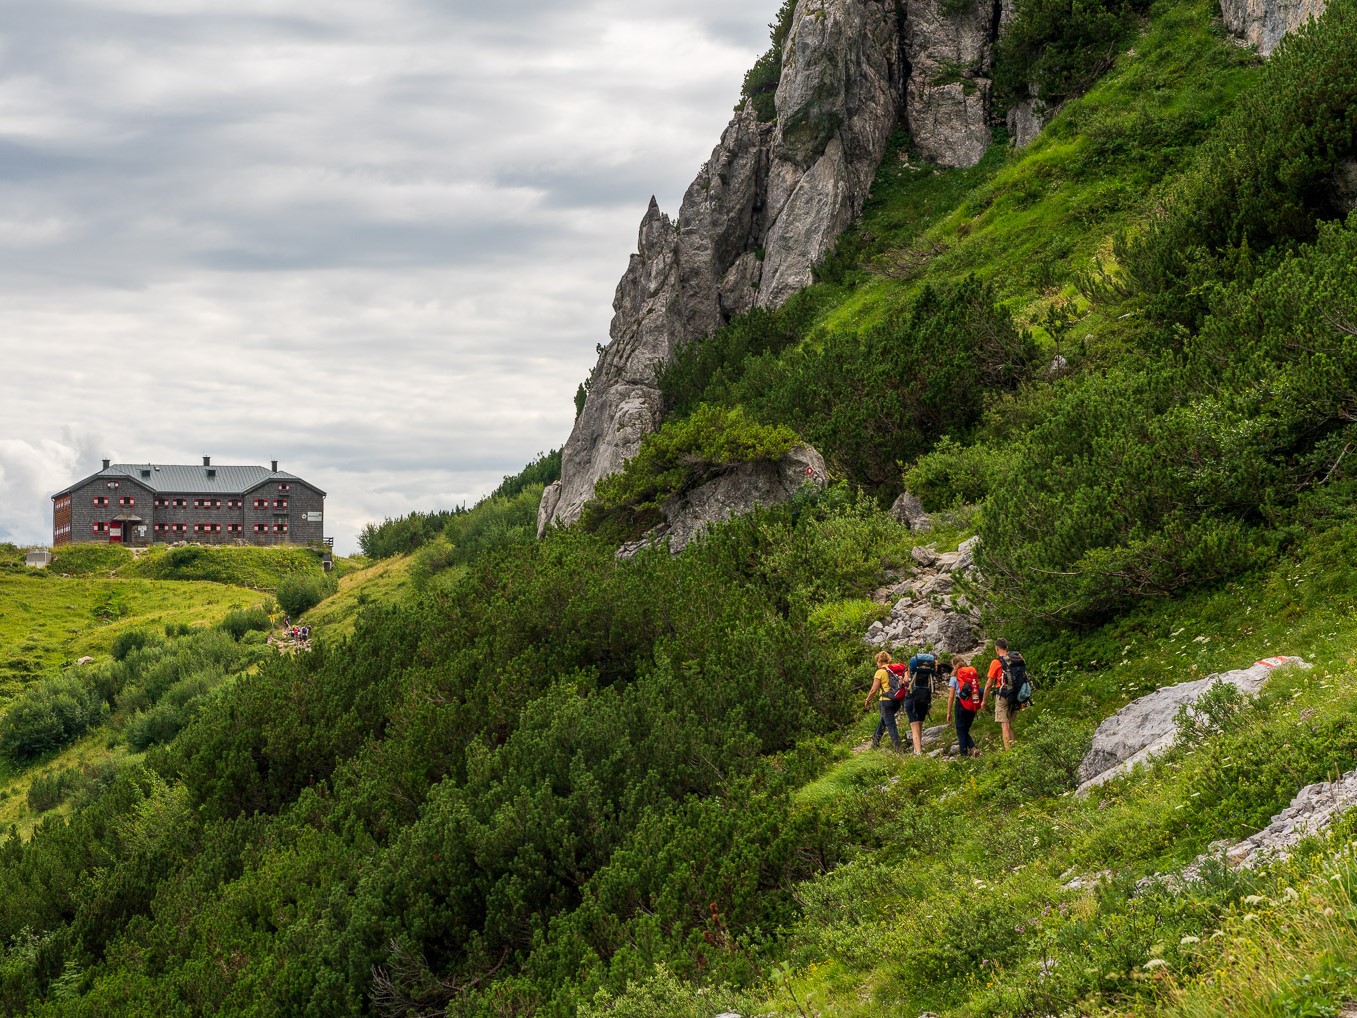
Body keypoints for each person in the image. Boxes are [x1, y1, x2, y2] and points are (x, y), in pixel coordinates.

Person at [864, 650, 903, 751]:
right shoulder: (893, 670)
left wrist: (868, 700)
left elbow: (874, 689)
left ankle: (898, 750)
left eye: (877, 662)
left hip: (885, 701)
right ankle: (875, 743)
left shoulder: (880, 672)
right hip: (896, 701)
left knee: (890, 724)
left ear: (879, 661)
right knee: (883, 720)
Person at [983, 638, 1016, 750]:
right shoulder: (1015, 659)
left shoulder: (996, 662)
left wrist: (984, 700)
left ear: (997, 648)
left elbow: (988, 684)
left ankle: (1009, 753)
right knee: (1010, 723)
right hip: (1015, 694)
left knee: (1005, 725)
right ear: (1007, 648)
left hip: (1002, 695)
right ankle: (1016, 750)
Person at [948, 657, 983, 756]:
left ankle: (964, 755)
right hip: (972, 703)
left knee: (960, 730)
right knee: (965, 729)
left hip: (961, 704)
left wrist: (948, 712)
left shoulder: (954, 677)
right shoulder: (970, 676)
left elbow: (951, 697)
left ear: (954, 665)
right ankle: (973, 748)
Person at [905, 648, 937, 755]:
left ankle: (917, 752)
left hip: (912, 697)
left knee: (914, 726)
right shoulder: (928, 672)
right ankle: (918, 747)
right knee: (920, 724)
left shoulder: (912, 671)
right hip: (925, 697)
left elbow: (906, 681)